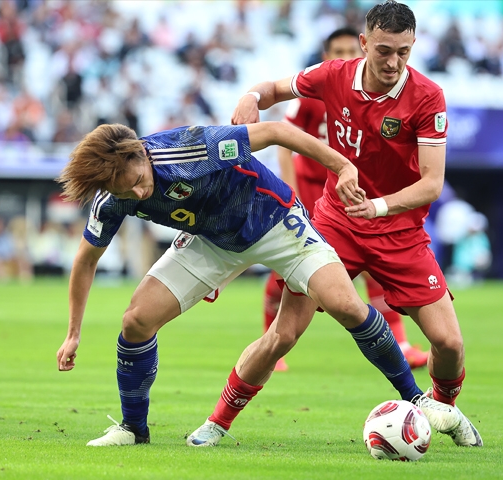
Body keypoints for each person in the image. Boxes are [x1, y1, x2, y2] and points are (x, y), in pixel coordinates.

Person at [190, 0, 482, 448]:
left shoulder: (427, 97)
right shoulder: (332, 75)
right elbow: (271, 89)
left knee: (451, 343)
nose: (393, 62)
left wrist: (380, 207)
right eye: (384, 50)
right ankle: (217, 422)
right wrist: (249, 99)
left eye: (403, 52)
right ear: (364, 44)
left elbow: (432, 183)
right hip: (334, 227)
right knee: (283, 334)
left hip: (400, 232)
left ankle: (445, 408)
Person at [56, 121, 458, 447]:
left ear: (141, 153)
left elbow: (276, 132)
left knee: (346, 305)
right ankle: (133, 428)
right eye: (125, 191)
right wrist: (73, 333)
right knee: (136, 321)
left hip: (276, 222)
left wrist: (342, 167)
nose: (139, 192)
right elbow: (86, 260)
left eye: (139, 180)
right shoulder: (112, 196)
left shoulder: (193, 148)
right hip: (213, 241)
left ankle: (414, 396)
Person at [264, 26, 428, 372]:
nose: (344, 57)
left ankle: (400, 343)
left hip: (355, 192)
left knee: (374, 270)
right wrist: (293, 195)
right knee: (290, 268)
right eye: (336, 51)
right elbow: (284, 140)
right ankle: (272, 343)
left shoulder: (380, 95)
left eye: (349, 50)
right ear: (326, 57)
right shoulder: (313, 95)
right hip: (314, 189)